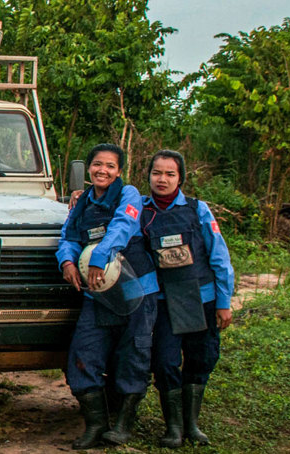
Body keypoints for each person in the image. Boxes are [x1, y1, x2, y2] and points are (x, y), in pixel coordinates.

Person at [56, 144, 159, 449]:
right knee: (82, 354)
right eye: (97, 165)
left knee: (134, 354)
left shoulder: (128, 195)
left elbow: (123, 226)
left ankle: (124, 425)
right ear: (88, 169)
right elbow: (68, 236)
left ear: (119, 171)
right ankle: (96, 426)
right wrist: (67, 261)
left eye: (110, 166)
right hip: (97, 293)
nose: (103, 170)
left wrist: (101, 254)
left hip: (135, 288)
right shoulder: (83, 202)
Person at [140, 149, 234, 448]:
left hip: (202, 298)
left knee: (201, 358)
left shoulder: (197, 210)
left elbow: (219, 257)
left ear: (180, 177)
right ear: (149, 176)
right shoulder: (139, 210)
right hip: (166, 303)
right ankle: (173, 428)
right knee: (165, 361)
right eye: (157, 173)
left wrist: (223, 301)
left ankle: (192, 425)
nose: (162, 179)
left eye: (170, 174)